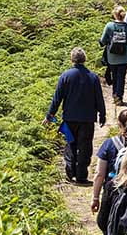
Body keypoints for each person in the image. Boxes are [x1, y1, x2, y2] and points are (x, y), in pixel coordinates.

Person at [43, 47, 107, 184]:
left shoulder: (65, 76)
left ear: (72, 59)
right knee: (85, 147)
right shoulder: (93, 77)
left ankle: (70, 171)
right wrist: (102, 114)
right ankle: (81, 175)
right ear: (85, 59)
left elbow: (57, 98)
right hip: (88, 119)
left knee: (70, 144)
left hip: (69, 119)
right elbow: (99, 98)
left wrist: (49, 116)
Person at [100, 5, 127, 106]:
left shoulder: (109, 26)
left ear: (114, 15)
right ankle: (119, 96)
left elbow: (103, 40)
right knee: (121, 77)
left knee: (114, 76)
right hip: (124, 57)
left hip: (112, 57)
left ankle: (114, 94)